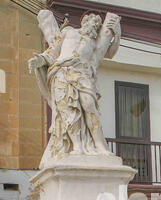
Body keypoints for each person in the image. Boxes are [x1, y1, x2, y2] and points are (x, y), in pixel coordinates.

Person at [28, 10, 121, 167]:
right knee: (69, 112)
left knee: (89, 105)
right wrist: (40, 60)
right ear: (84, 21)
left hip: (83, 75)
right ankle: (77, 146)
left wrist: (117, 35)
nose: (96, 26)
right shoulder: (68, 32)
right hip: (61, 73)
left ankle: (99, 145)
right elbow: (52, 51)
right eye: (94, 22)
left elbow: (109, 53)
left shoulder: (95, 43)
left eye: (98, 25)